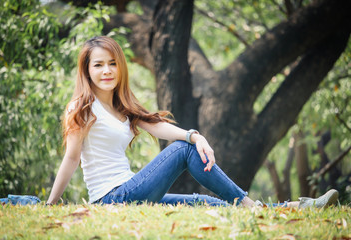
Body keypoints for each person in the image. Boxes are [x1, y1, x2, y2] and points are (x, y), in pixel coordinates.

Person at [47, 36, 339, 208]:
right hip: (112, 198)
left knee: (210, 203)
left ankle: (292, 206)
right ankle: (249, 204)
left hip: (130, 189)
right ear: (86, 70)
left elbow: (156, 125)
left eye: (112, 64)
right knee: (182, 150)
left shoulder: (121, 106)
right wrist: (51, 205)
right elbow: (71, 159)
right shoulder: (83, 107)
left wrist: (194, 135)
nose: (107, 70)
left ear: (120, 67)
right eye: (98, 65)